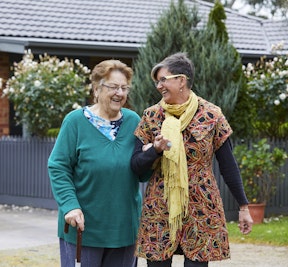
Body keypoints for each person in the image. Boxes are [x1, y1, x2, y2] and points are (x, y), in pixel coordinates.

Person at [130, 52, 253, 267]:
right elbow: (136, 166)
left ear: (181, 81)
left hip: (201, 207)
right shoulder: (151, 116)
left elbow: (228, 166)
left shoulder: (212, 115)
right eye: (157, 81)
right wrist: (155, 150)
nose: (159, 86)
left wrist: (243, 207)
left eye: (163, 80)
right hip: (160, 206)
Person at [48, 59, 148, 267]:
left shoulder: (133, 121)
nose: (119, 93)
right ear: (96, 89)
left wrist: (153, 155)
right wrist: (70, 206)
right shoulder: (75, 122)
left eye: (124, 88)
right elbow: (58, 167)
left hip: (124, 229)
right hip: (84, 228)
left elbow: (142, 173)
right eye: (113, 87)